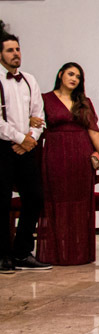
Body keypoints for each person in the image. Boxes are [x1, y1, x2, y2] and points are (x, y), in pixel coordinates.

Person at [36, 63, 99, 266]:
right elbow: (38, 125)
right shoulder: (45, 99)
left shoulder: (84, 102)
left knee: (80, 201)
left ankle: (79, 252)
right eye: (70, 74)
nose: (74, 79)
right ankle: (56, 252)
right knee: (56, 199)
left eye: (78, 76)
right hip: (55, 154)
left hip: (80, 155)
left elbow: (93, 130)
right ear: (60, 74)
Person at [0, 28, 50, 272]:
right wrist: (21, 137)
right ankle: (3, 255)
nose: (16, 54)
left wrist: (31, 138)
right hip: (2, 147)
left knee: (35, 197)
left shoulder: (30, 79)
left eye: (18, 49)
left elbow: (38, 114)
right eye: (10, 50)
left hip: (27, 147)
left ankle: (22, 252)